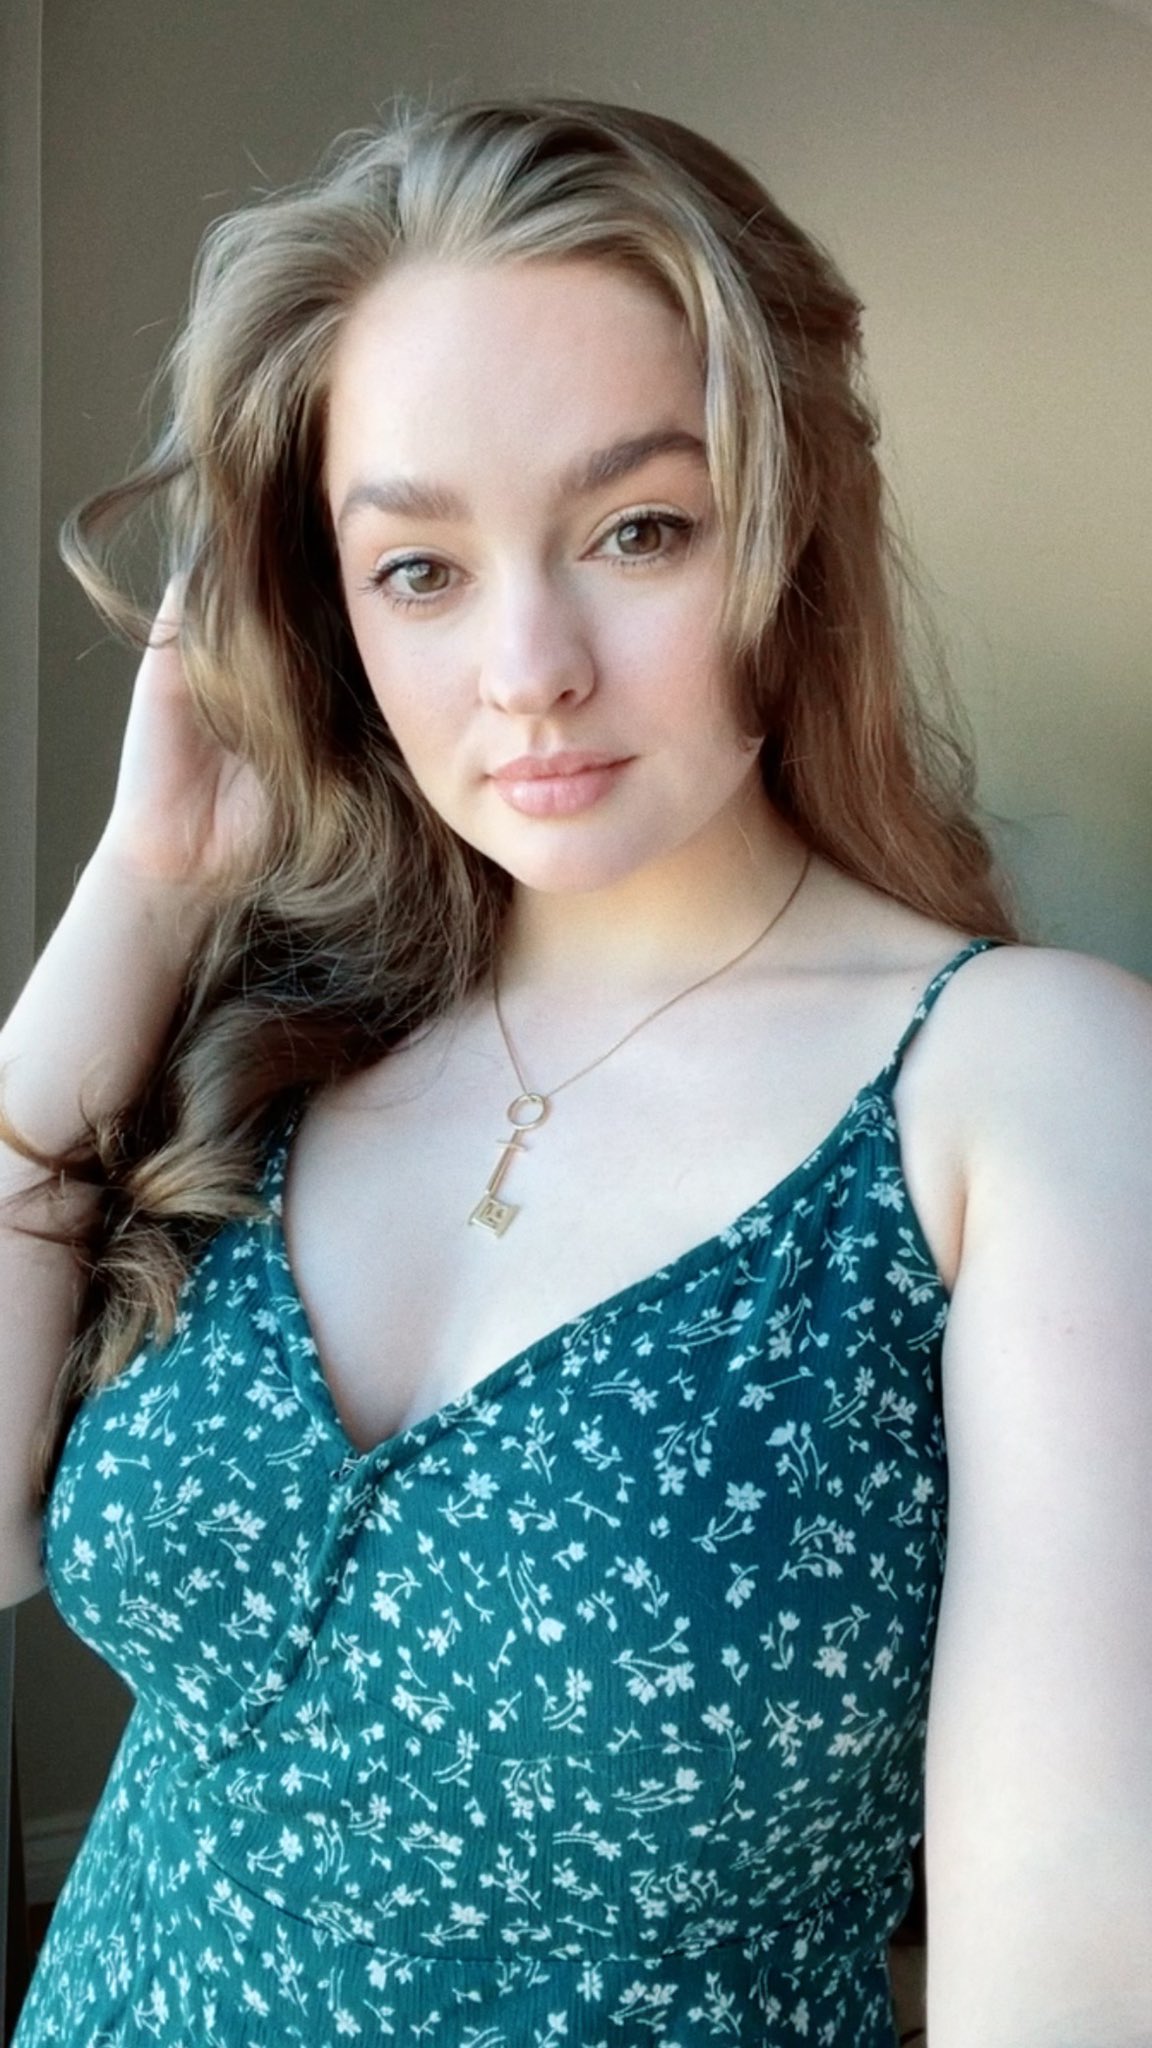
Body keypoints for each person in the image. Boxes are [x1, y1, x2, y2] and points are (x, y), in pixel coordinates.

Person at [1, 96, 1149, 2048]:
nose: (528, 665)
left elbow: (1074, 1957)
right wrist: (148, 885)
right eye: (420, 568)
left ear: (788, 535)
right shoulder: (275, 1021)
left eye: (638, 531)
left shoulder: (1018, 1086)